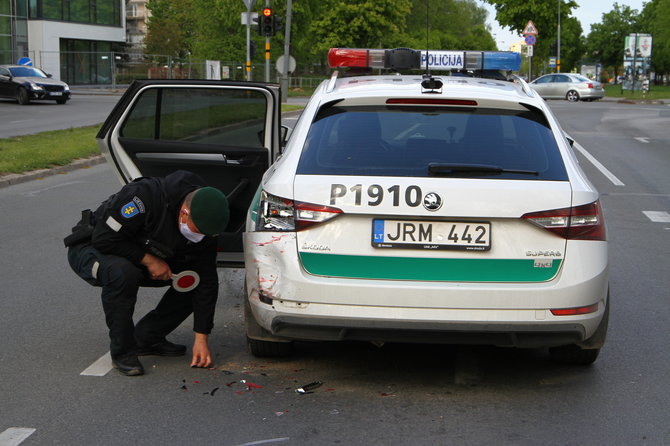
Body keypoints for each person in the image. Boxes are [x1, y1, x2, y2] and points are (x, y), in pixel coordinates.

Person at [65, 170, 229, 376]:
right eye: (197, 230)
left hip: (141, 256)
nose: (200, 237)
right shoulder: (142, 197)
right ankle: (122, 352)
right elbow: (104, 238)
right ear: (185, 212)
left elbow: (207, 280)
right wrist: (149, 260)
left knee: (193, 280)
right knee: (123, 274)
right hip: (93, 249)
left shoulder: (207, 225)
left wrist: (201, 337)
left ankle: (147, 338)